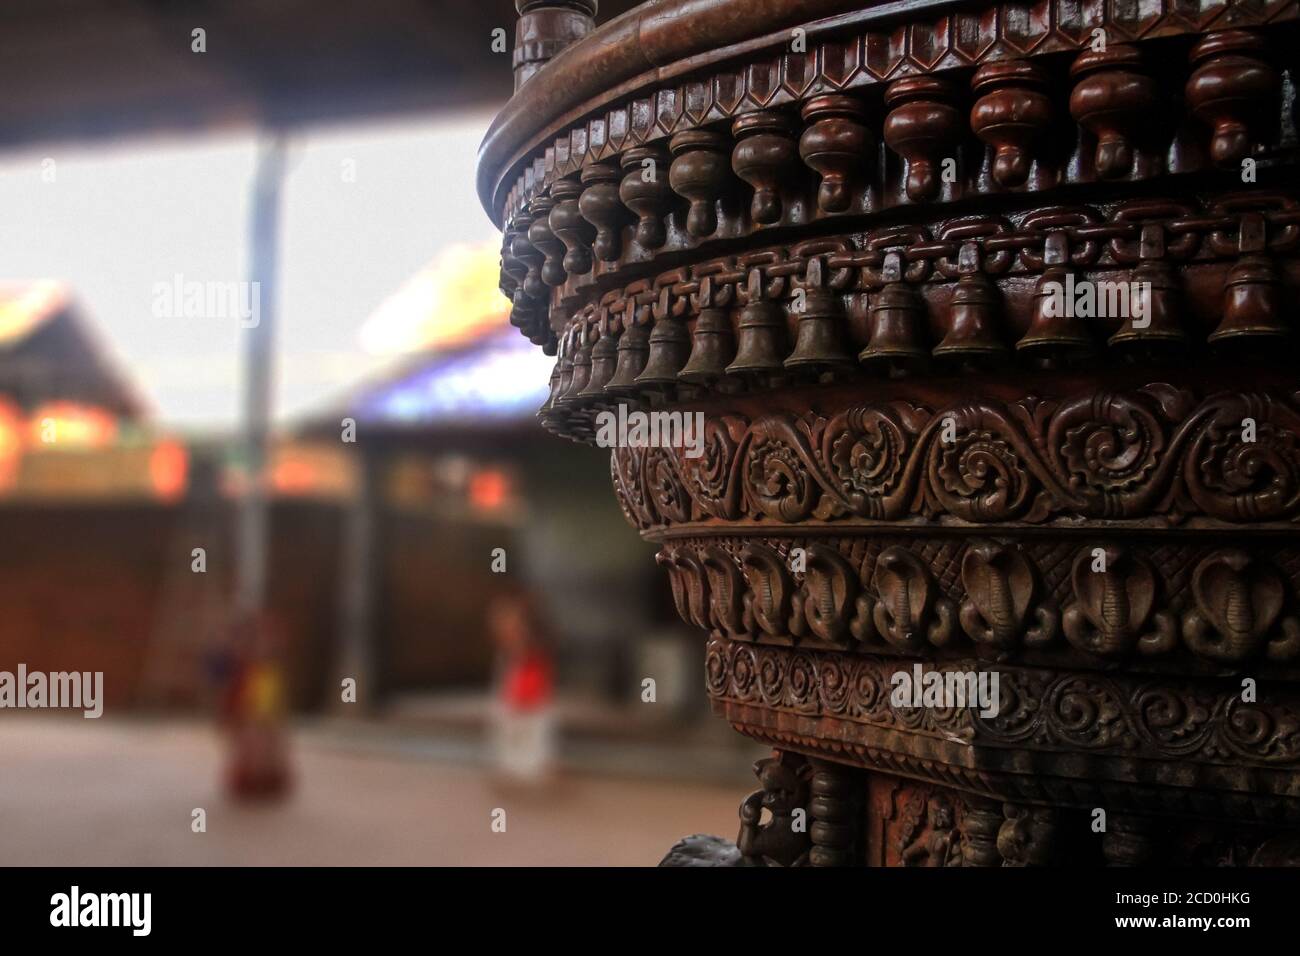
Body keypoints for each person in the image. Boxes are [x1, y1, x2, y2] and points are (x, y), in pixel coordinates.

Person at [487, 590, 556, 785]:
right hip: (514, 703)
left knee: (529, 737)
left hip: (528, 704)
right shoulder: (508, 654)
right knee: (512, 736)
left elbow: (536, 677)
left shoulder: (531, 652)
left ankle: (530, 769)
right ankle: (515, 769)